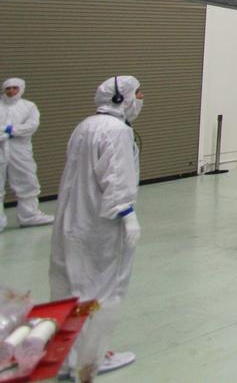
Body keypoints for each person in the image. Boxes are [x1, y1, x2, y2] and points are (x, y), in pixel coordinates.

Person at [49, 76, 145, 379]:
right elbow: (115, 177)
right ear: (121, 98)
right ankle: (91, 360)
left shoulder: (85, 126)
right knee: (103, 288)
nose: (141, 99)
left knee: (70, 288)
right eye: (137, 94)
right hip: (101, 224)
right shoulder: (117, 131)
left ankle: (69, 357)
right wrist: (127, 214)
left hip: (72, 220)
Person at [0, 78, 54, 229]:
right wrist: (12, 131)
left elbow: (31, 126)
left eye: (14, 88)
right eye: (8, 88)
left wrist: (7, 130)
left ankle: (29, 216)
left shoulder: (28, 106)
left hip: (20, 151)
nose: (11, 91)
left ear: (21, 88)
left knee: (27, 181)